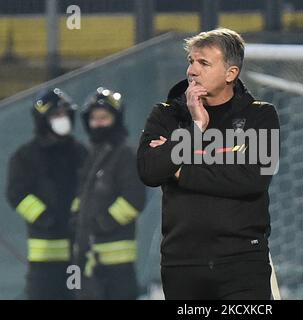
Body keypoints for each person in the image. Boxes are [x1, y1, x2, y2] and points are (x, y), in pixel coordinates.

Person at [137, 28, 280, 299]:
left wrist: (179, 168)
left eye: (203, 63)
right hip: (182, 265)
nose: (192, 70)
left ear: (231, 73)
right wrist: (196, 128)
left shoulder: (260, 116)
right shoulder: (165, 115)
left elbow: (252, 179)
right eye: (191, 61)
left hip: (243, 264)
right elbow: (150, 171)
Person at [6, 88, 87, 300]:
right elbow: (16, 193)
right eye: (56, 115)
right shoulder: (25, 156)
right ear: (43, 120)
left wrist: (78, 214)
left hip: (79, 253)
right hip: (44, 254)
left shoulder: (80, 153)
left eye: (64, 114)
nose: (62, 120)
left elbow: (88, 188)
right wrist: (43, 217)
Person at [72, 87, 146, 300]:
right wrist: (75, 220)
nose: (98, 123)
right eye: (94, 119)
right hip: (86, 258)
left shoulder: (125, 155)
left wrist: (102, 223)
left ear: (116, 119)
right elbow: (83, 197)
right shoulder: (92, 155)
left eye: (104, 118)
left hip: (116, 264)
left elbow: (134, 200)